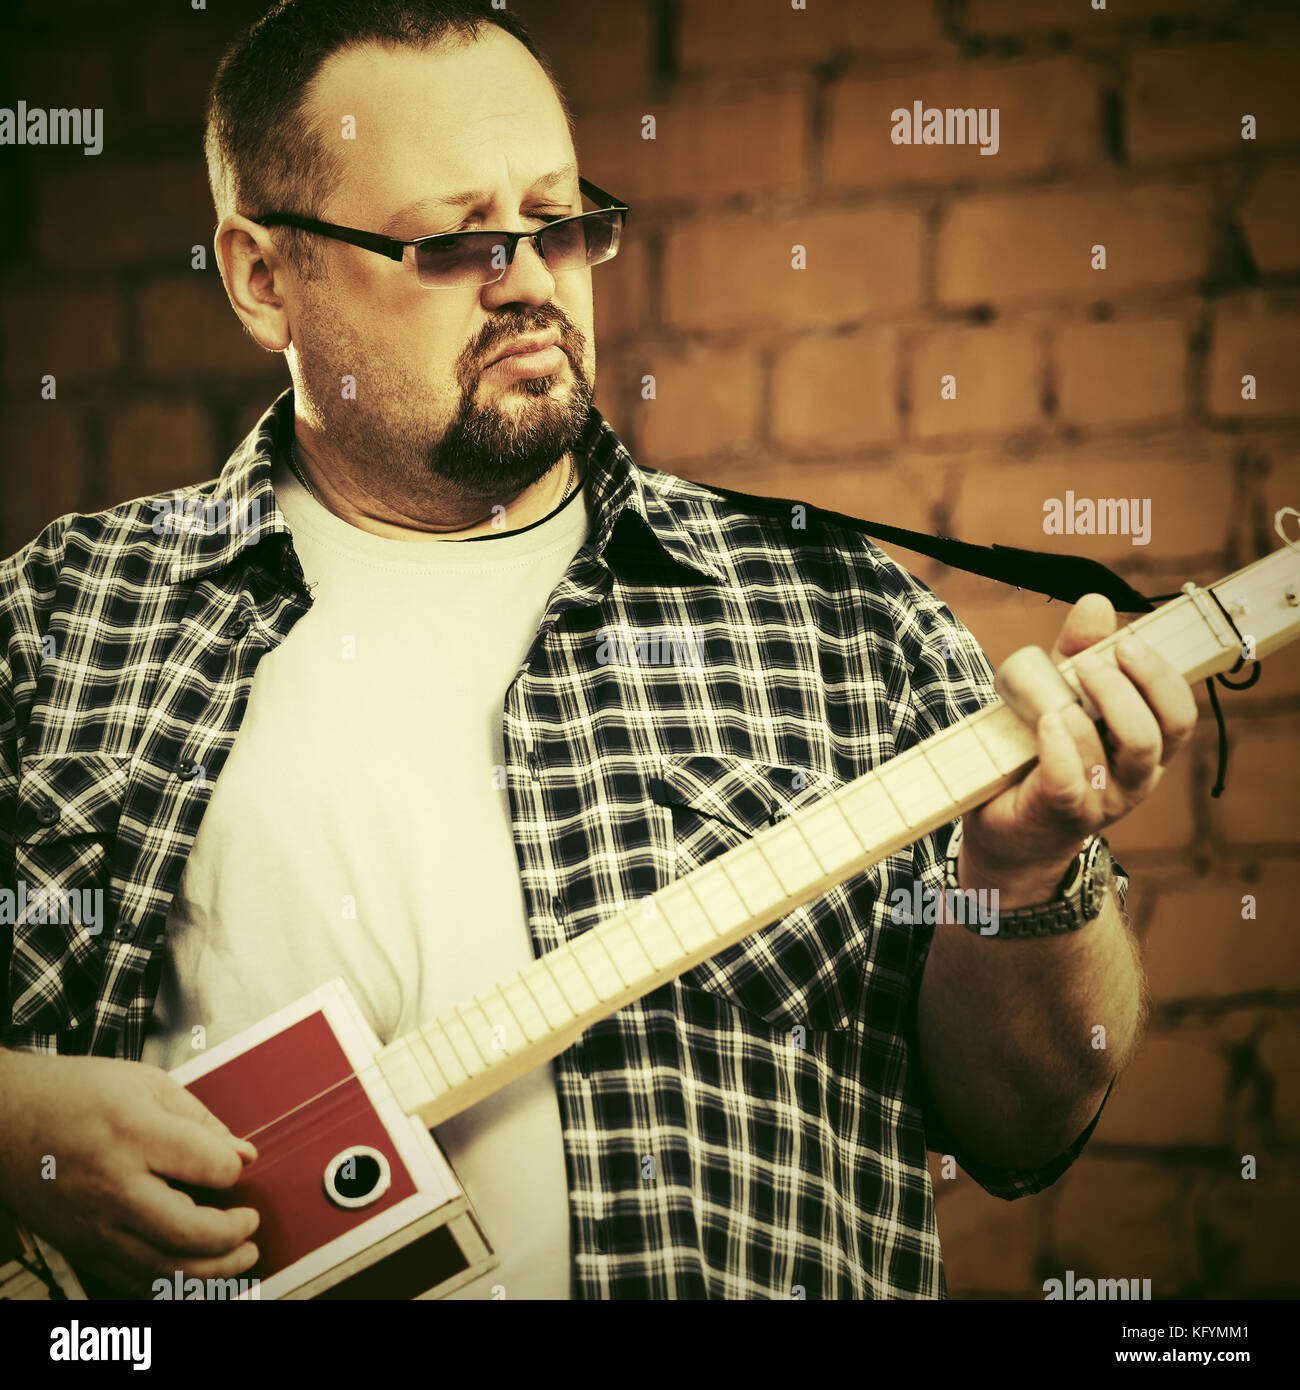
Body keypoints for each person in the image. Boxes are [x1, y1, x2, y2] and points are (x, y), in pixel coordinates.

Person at [0, 0, 1196, 1300]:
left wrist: (1019, 873)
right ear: (259, 276)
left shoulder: (836, 619)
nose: (529, 279)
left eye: (560, 223)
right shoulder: (64, 622)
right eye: (455, 240)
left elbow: (1024, 1130)